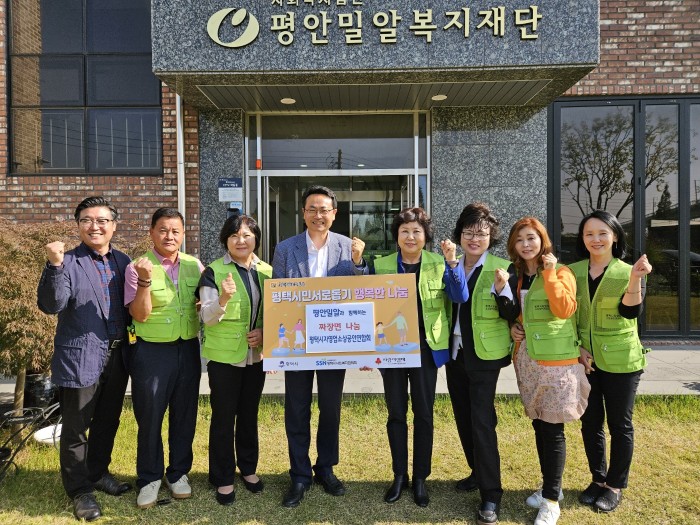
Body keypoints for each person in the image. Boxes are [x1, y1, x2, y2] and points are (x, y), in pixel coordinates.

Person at [355, 207, 468, 507]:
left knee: (424, 413)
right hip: (392, 349)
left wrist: (452, 262)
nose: (410, 236)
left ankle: (420, 478)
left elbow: (459, 296)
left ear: (425, 236)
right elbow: (363, 301)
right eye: (404, 231)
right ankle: (399, 475)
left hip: (426, 348)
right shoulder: (381, 265)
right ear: (396, 236)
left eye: (417, 231)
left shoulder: (438, 263)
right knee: (396, 413)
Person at [271, 185, 368, 508]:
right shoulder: (286, 248)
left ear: (334, 214)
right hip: (297, 342)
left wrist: (358, 261)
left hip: (333, 340)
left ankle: (325, 467)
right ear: (303, 213)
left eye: (324, 209)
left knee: (330, 407)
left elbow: (362, 290)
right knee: (296, 408)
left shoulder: (348, 247)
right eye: (312, 209)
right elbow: (277, 295)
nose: (318, 215)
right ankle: (299, 474)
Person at [37, 196, 132, 522]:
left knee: (108, 421)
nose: (95, 226)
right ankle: (80, 491)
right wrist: (54, 264)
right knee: (76, 429)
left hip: (118, 356)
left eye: (102, 220)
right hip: (80, 357)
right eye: (87, 220)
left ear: (113, 226)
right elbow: (52, 304)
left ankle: (97, 472)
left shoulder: (123, 261)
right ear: (78, 225)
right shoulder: (68, 261)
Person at [507, 217, 590, 525]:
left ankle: (552, 502)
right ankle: (549, 487)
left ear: (543, 240)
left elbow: (564, 309)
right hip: (528, 360)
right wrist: (514, 326)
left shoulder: (562, 272)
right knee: (540, 424)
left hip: (557, 363)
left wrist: (551, 273)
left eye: (531, 238)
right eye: (519, 239)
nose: (526, 244)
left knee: (553, 430)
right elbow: (518, 312)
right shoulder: (517, 276)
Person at [568, 210, 652, 513]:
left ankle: (614, 485)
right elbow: (567, 315)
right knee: (590, 422)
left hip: (621, 361)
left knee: (620, 424)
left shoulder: (629, 271)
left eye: (602, 233)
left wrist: (635, 279)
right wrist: (577, 348)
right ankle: (598, 478)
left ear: (615, 236)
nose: (596, 239)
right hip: (586, 360)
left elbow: (630, 312)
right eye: (589, 234)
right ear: (582, 239)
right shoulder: (572, 272)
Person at [125, 208, 204, 509]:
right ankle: (149, 477)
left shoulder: (194, 265)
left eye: (175, 231)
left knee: (185, 414)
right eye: (162, 229)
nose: (169, 236)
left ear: (183, 234)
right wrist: (145, 282)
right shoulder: (137, 267)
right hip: (152, 351)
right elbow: (139, 314)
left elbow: (203, 304)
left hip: (187, 348)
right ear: (151, 232)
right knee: (150, 415)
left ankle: (178, 473)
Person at [444, 202, 516, 525]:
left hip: (485, 356)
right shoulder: (451, 264)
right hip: (455, 352)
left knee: (482, 421)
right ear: (460, 235)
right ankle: (476, 471)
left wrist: (502, 291)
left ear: (491, 237)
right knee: (463, 416)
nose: (475, 239)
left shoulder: (502, 268)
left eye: (482, 233)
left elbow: (511, 313)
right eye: (469, 232)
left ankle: (491, 494)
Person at [197, 214, 272, 506]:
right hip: (224, 359)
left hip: (256, 357)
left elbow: (276, 312)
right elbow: (206, 317)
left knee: (249, 414)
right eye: (234, 236)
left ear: (256, 239)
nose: (241, 241)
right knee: (224, 417)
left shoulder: (267, 271)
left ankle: (248, 468)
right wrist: (223, 299)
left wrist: (265, 333)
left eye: (247, 235)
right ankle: (223, 476)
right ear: (225, 240)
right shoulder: (213, 272)